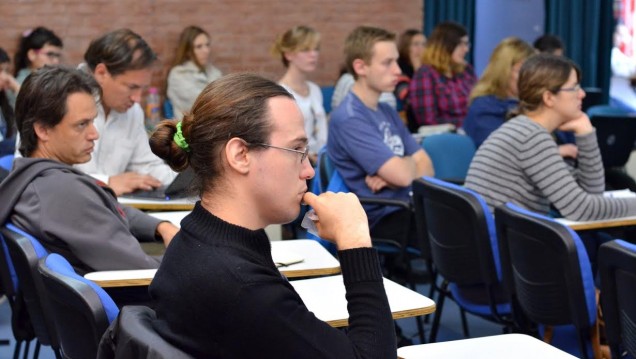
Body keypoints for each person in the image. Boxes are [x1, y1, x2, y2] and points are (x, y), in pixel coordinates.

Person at [148, 72, 396, 358]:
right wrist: (355, 242)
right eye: (296, 150)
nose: (309, 171)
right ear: (240, 155)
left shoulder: (195, 237)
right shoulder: (245, 290)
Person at [0, 67, 178, 280]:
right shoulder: (65, 193)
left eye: (93, 121)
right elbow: (143, 270)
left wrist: (161, 226)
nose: (94, 134)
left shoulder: (33, 176)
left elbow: (110, 208)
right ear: (43, 130)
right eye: (82, 125)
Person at [465, 53, 636, 221]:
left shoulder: (525, 129)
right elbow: (581, 210)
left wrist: (585, 134)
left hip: (505, 240)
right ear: (548, 97)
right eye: (574, 87)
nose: (582, 94)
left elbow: (591, 192)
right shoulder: (530, 137)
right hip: (505, 244)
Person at [327, 26, 434, 250]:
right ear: (360, 67)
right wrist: (408, 165)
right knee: (464, 235)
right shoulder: (350, 118)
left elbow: (428, 166)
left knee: (467, 229)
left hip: (407, 207)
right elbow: (406, 175)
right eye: (387, 63)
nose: (397, 70)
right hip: (382, 217)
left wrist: (400, 171)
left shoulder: (386, 110)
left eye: (396, 61)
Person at [75, 28, 176, 195]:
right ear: (101, 73)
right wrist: (107, 183)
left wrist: (187, 182)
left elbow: (146, 166)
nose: (137, 98)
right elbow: (46, 175)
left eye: (142, 89)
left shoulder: (133, 112)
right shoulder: (60, 101)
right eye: (132, 87)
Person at [462, 37, 536, 148]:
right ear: (503, 71)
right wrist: (556, 151)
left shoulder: (532, 104)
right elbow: (499, 153)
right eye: (522, 71)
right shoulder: (484, 108)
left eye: (532, 71)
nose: (530, 77)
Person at [272, 25, 327, 163]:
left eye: (316, 49)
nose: (313, 54)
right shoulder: (280, 93)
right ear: (288, 54)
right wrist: (307, 156)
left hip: (322, 161)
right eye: (305, 50)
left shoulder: (314, 89)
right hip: (298, 163)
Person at [409, 22, 476, 128]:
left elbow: (481, 101)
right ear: (444, 46)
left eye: (467, 44)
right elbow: (429, 121)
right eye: (461, 44)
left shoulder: (466, 70)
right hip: (449, 137)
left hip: (475, 130)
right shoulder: (425, 75)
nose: (466, 49)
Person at [167, 25, 222, 121]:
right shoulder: (178, 75)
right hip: (189, 130)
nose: (206, 50)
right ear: (188, 51)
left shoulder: (214, 72)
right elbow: (202, 105)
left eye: (207, 45)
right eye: (199, 46)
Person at [395, 29, 426, 132]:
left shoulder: (429, 69)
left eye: (424, 44)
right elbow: (408, 97)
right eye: (416, 44)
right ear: (406, 47)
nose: (421, 48)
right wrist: (418, 71)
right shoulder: (398, 68)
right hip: (408, 124)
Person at [0, 48, 19, 157]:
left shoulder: (4, 100)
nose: (5, 77)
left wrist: (17, 88)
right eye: (0, 70)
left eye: (6, 71)